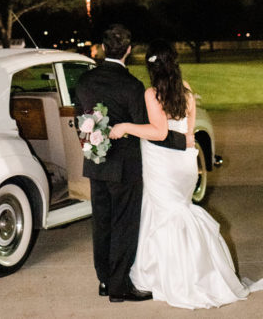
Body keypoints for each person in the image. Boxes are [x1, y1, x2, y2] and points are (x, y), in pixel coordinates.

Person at [109, 39, 263, 310]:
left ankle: (172, 276)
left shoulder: (151, 94)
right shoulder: (186, 90)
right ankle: (197, 270)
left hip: (161, 163)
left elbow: (159, 132)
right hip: (183, 163)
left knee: (162, 213)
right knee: (178, 209)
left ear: (152, 68)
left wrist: (125, 126)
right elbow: (188, 136)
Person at [75, 24, 191, 303]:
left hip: (95, 161)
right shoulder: (132, 86)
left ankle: (104, 280)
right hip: (125, 166)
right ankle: (119, 286)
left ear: (103, 49)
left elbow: (81, 122)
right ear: (128, 50)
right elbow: (145, 128)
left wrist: (93, 143)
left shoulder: (83, 82)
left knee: (101, 223)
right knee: (123, 224)